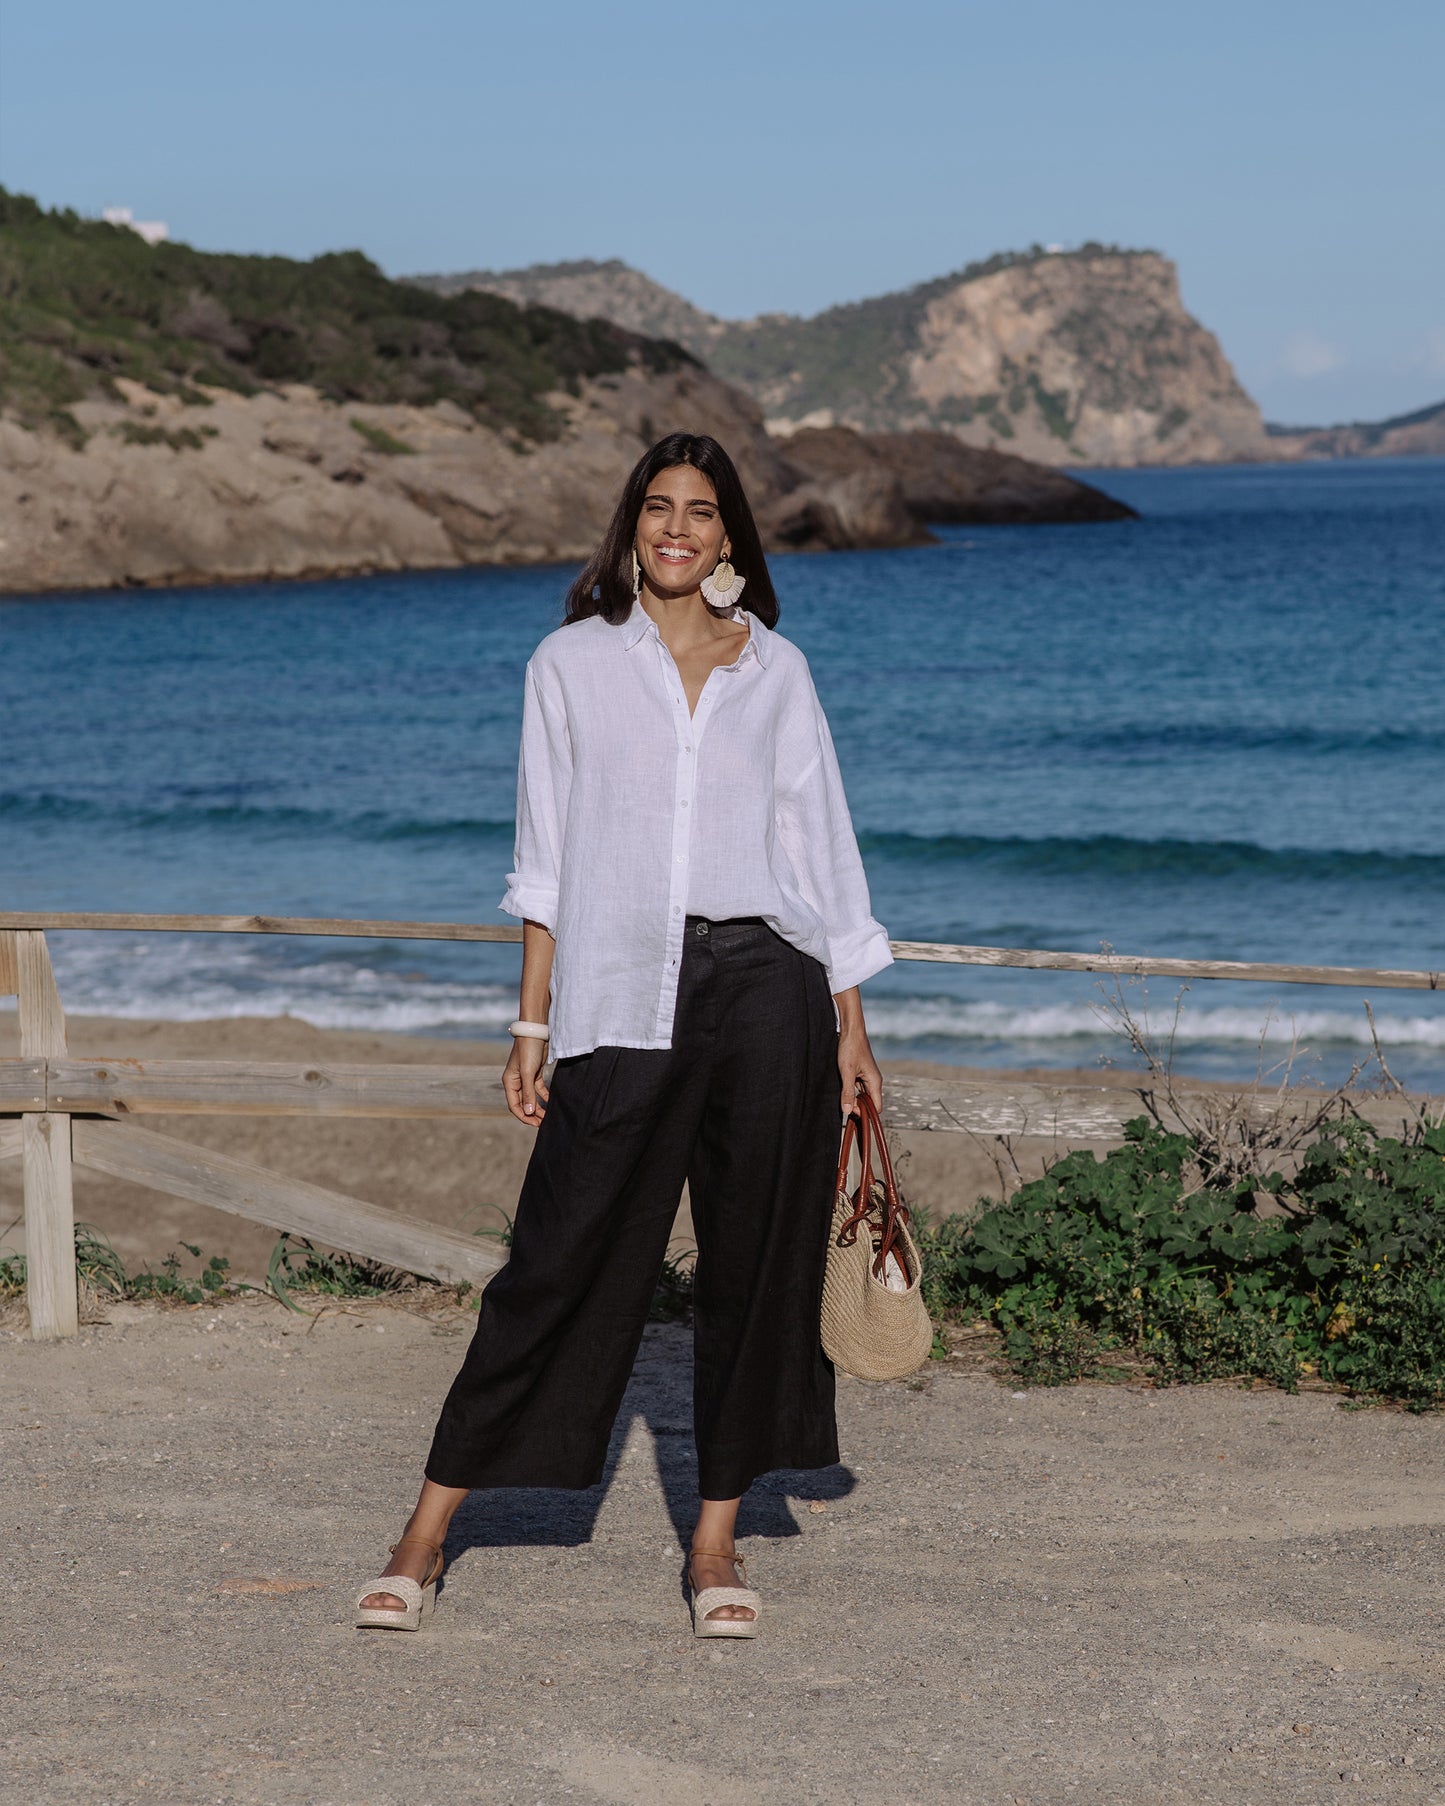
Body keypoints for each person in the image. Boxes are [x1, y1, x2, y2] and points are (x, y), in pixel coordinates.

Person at [355, 432, 891, 1640]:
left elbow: (823, 859)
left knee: (756, 1271)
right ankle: (425, 1532)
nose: (676, 529)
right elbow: (543, 862)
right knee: (555, 1260)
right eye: (658, 507)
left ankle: (713, 1547)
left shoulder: (779, 672)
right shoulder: (570, 665)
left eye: (701, 511)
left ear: (730, 538)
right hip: (620, 994)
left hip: (771, 988)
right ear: (631, 525)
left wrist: (851, 1031)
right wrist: (530, 1021)